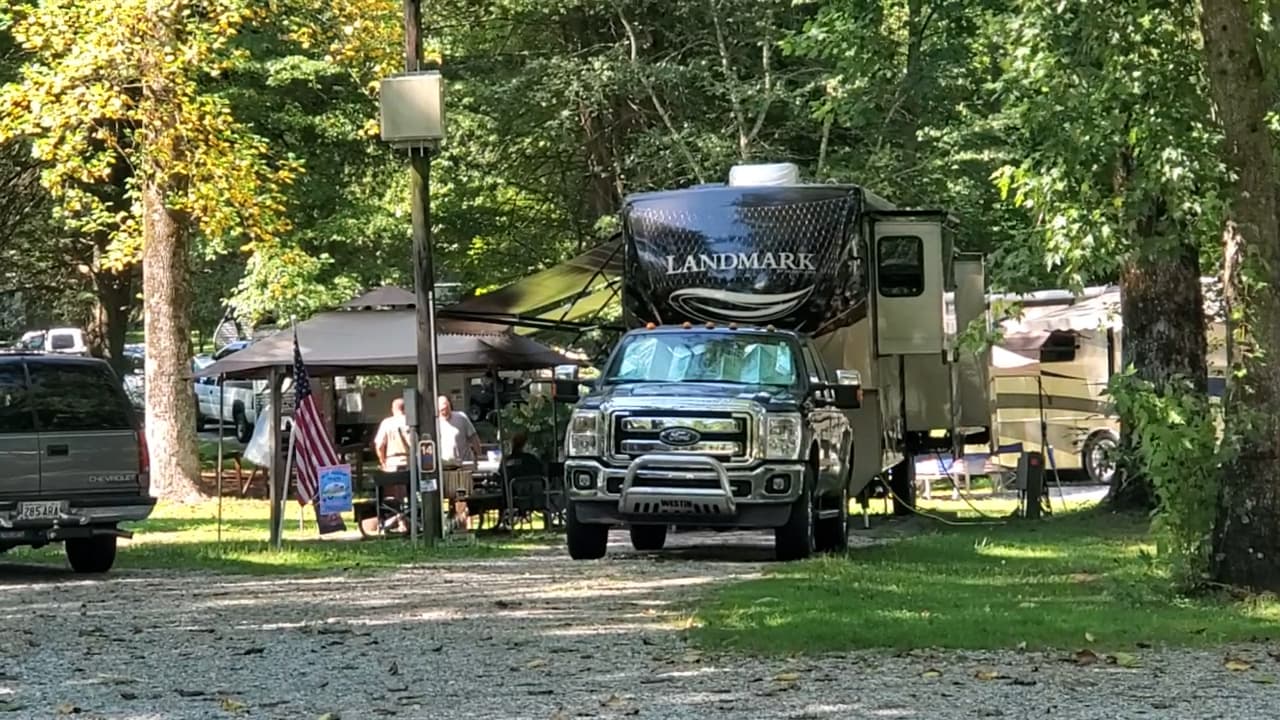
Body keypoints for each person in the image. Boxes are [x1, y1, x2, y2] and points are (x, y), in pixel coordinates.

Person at [437, 394, 482, 465]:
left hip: (465, 463)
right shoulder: (435, 423)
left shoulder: (461, 417)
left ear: (450, 405)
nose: (445, 411)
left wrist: (480, 457)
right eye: (442, 410)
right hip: (445, 465)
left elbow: (474, 438)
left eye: (447, 408)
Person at [373, 398, 411, 472]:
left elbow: (379, 446)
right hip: (410, 461)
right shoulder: (411, 422)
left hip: (392, 462)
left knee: (394, 482)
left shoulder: (387, 423)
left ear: (393, 409)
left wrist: (382, 461)